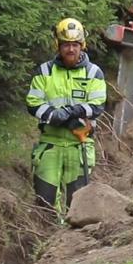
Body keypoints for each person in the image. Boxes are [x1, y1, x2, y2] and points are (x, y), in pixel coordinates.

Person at [26, 18, 107, 213]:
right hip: (50, 145)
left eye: (74, 45)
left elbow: (97, 106)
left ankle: (73, 242)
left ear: (82, 46)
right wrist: (55, 116)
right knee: (44, 205)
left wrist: (71, 112)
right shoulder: (44, 71)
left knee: (77, 207)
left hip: (79, 145)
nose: (70, 49)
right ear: (58, 46)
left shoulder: (93, 73)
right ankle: (46, 239)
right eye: (66, 45)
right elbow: (33, 104)